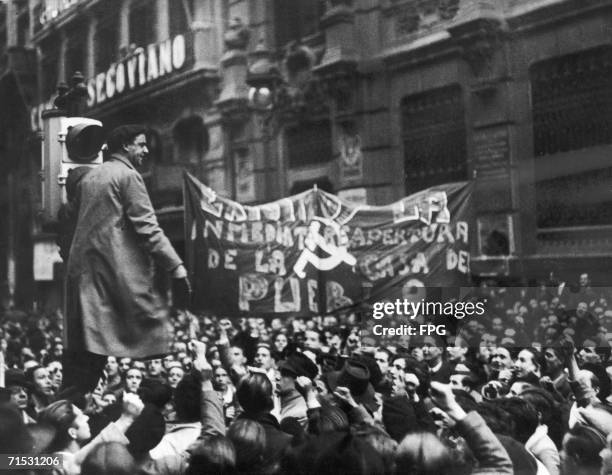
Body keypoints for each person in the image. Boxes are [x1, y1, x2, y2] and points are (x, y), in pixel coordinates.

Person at [64, 124, 191, 395]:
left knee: (85, 363)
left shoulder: (91, 177)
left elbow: (69, 220)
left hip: (84, 276)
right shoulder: (128, 176)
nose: (146, 150)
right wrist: (176, 266)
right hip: (112, 275)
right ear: (125, 146)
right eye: (141, 145)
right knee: (143, 331)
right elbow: (148, 228)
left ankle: (64, 414)